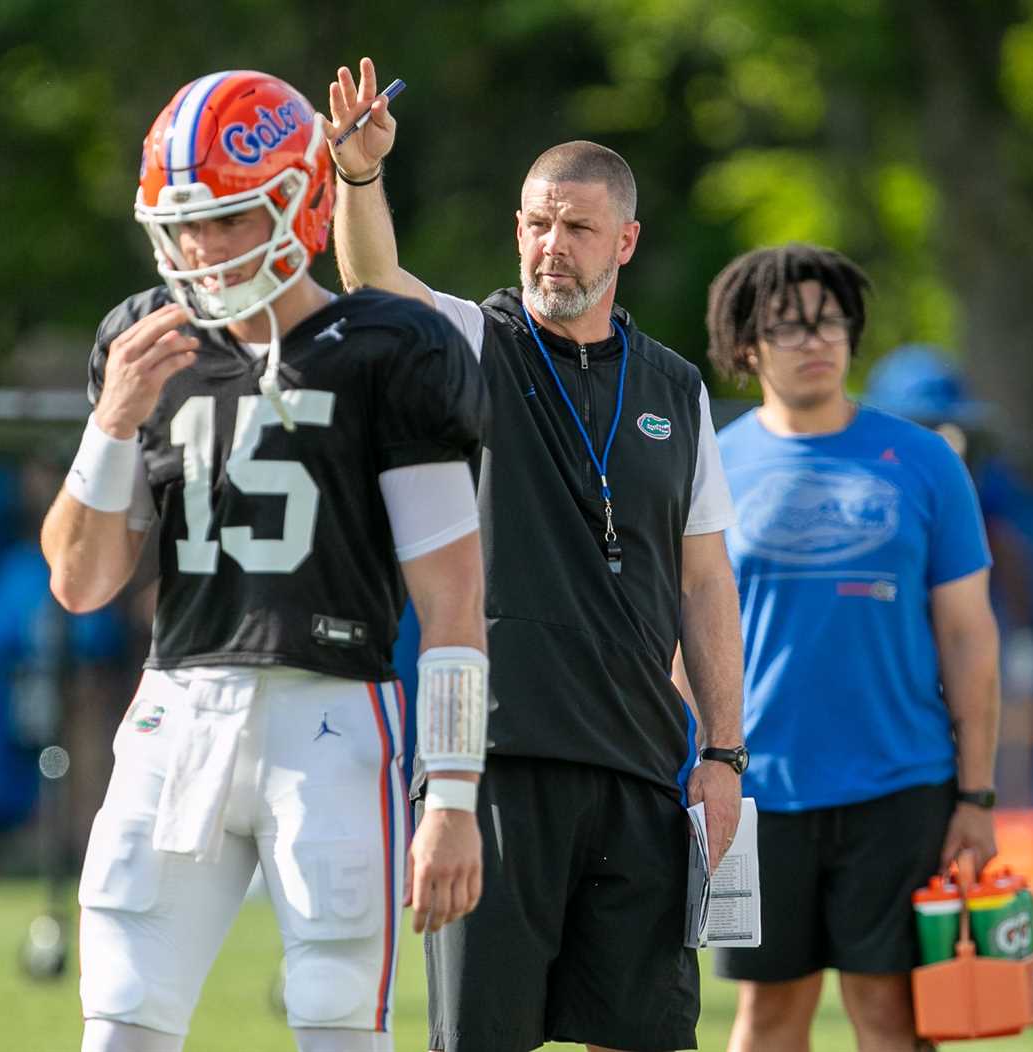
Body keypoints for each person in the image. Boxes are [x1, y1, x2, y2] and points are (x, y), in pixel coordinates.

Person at [40, 69, 492, 1052]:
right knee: (119, 1023)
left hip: (328, 718)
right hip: (176, 709)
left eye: (229, 217)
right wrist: (111, 422)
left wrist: (452, 794)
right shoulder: (143, 346)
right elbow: (79, 581)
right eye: (183, 222)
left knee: (338, 1024)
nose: (200, 247)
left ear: (298, 199)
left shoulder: (390, 346)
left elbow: (453, 600)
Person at [326, 57, 746, 1052]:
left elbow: (703, 580)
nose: (550, 247)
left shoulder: (677, 388)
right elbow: (373, 281)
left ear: (625, 241)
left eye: (576, 227)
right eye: (535, 224)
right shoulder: (474, 341)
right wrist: (357, 178)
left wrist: (723, 752)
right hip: (493, 767)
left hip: (641, 768)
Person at [703, 244, 1001, 1052]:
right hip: (754, 792)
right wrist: (692, 773)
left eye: (830, 321)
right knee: (767, 1018)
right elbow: (680, 638)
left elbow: (969, 636)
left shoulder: (927, 460)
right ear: (746, 345)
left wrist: (976, 797)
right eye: (790, 325)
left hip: (902, 789)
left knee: (894, 1015)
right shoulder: (710, 467)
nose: (816, 339)